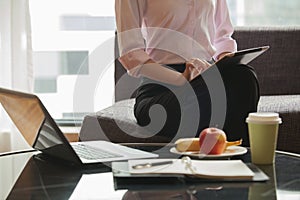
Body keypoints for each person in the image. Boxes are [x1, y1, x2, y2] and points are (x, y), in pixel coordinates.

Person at [115, 0, 259, 146]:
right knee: (213, 99)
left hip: (205, 79)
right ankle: (225, 157)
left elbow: (222, 38)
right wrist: (181, 79)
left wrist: (225, 60)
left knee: (244, 76)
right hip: (161, 92)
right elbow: (131, 54)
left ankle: (239, 157)